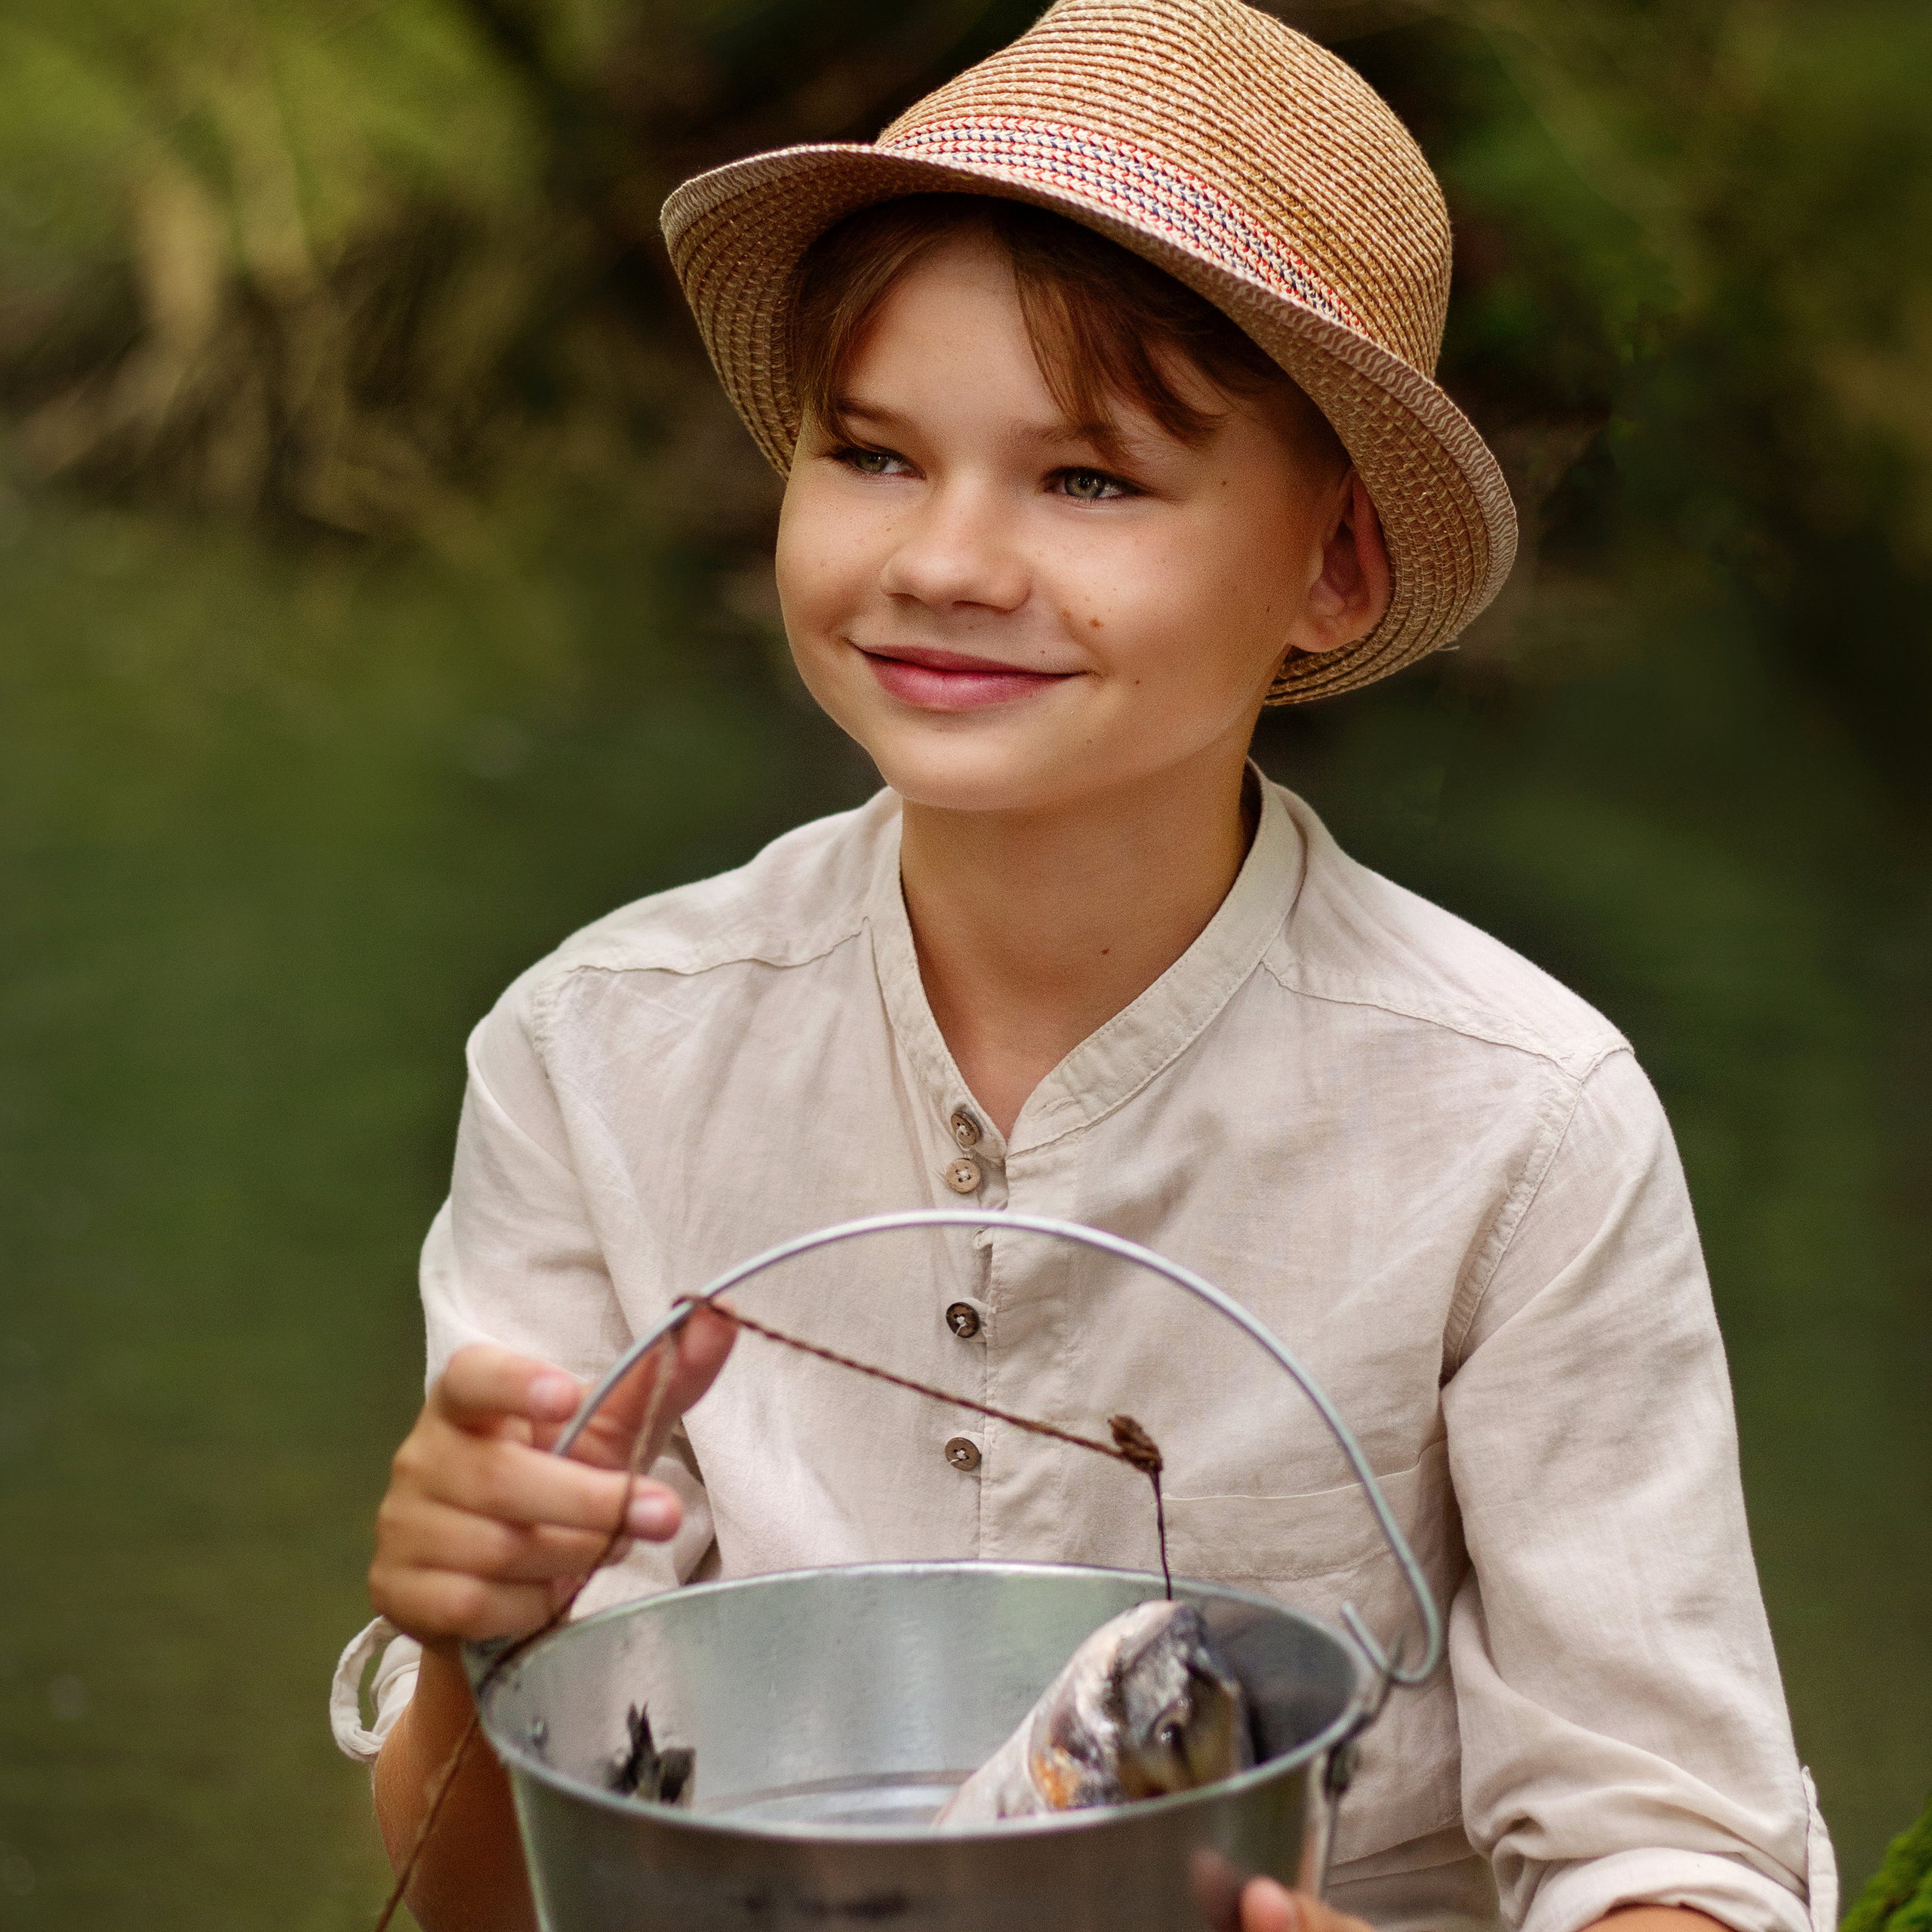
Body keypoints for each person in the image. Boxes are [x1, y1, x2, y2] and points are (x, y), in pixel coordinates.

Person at [328, 4, 1837, 1930]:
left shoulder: (1519, 1127)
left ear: (1333, 567)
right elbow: (495, 1894)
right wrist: (469, 1622)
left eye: (1088, 480)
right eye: (871, 452)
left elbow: (1672, 1846)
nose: (947, 558)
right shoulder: (594, 1054)